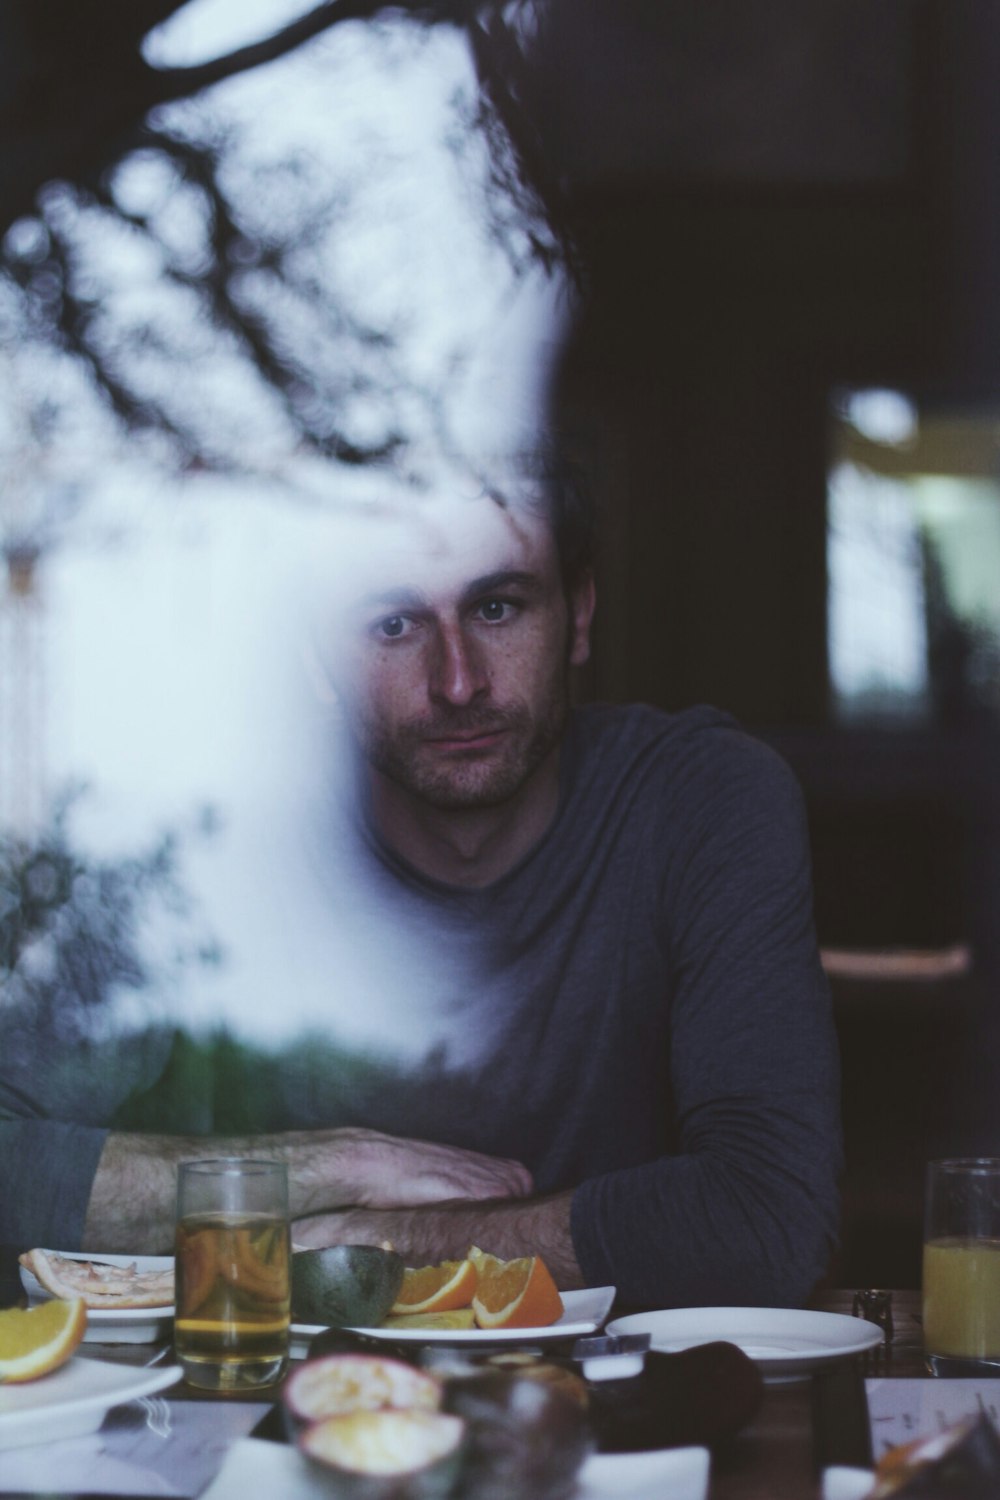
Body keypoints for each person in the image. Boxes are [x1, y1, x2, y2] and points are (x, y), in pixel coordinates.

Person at [0, 458, 841, 1309]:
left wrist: (376, 1240)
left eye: (497, 607)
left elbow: (771, 1222)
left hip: (611, 1418)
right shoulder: (212, 837)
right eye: (394, 624)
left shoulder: (700, 800)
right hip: (250, 1409)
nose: (459, 681)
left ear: (579, 615)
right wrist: (334, 1167)